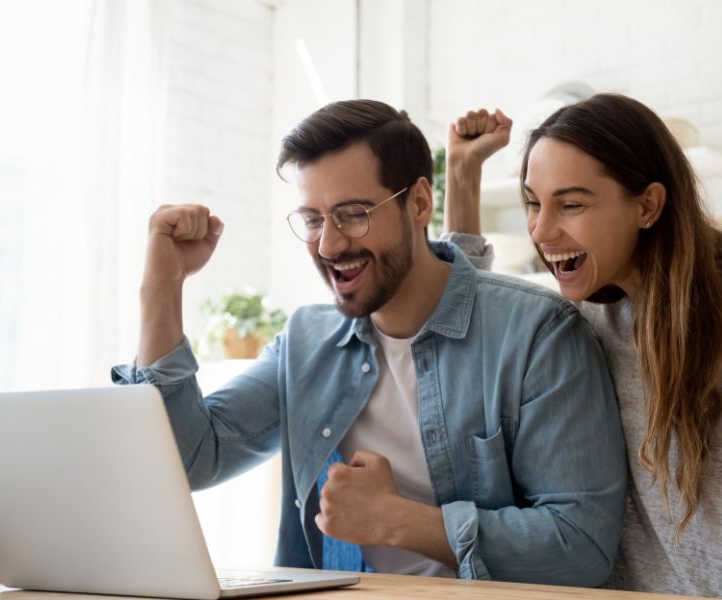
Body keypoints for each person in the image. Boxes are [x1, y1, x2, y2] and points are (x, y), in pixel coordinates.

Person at [112, 99, 627, 586]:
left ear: (420, 203)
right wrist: (163, 286)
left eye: (353, 213)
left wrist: (396, 521)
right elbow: (190, 460)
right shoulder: (307, 342)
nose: (329, 245)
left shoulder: (538, 333)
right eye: (313, 219)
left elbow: (580, 548)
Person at [445, 94, 722, 600]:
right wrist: (462, 172)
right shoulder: (585, 319)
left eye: (571, 204)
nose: (540, 229)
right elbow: (472, 329)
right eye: (534, 203)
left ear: (647, 205)